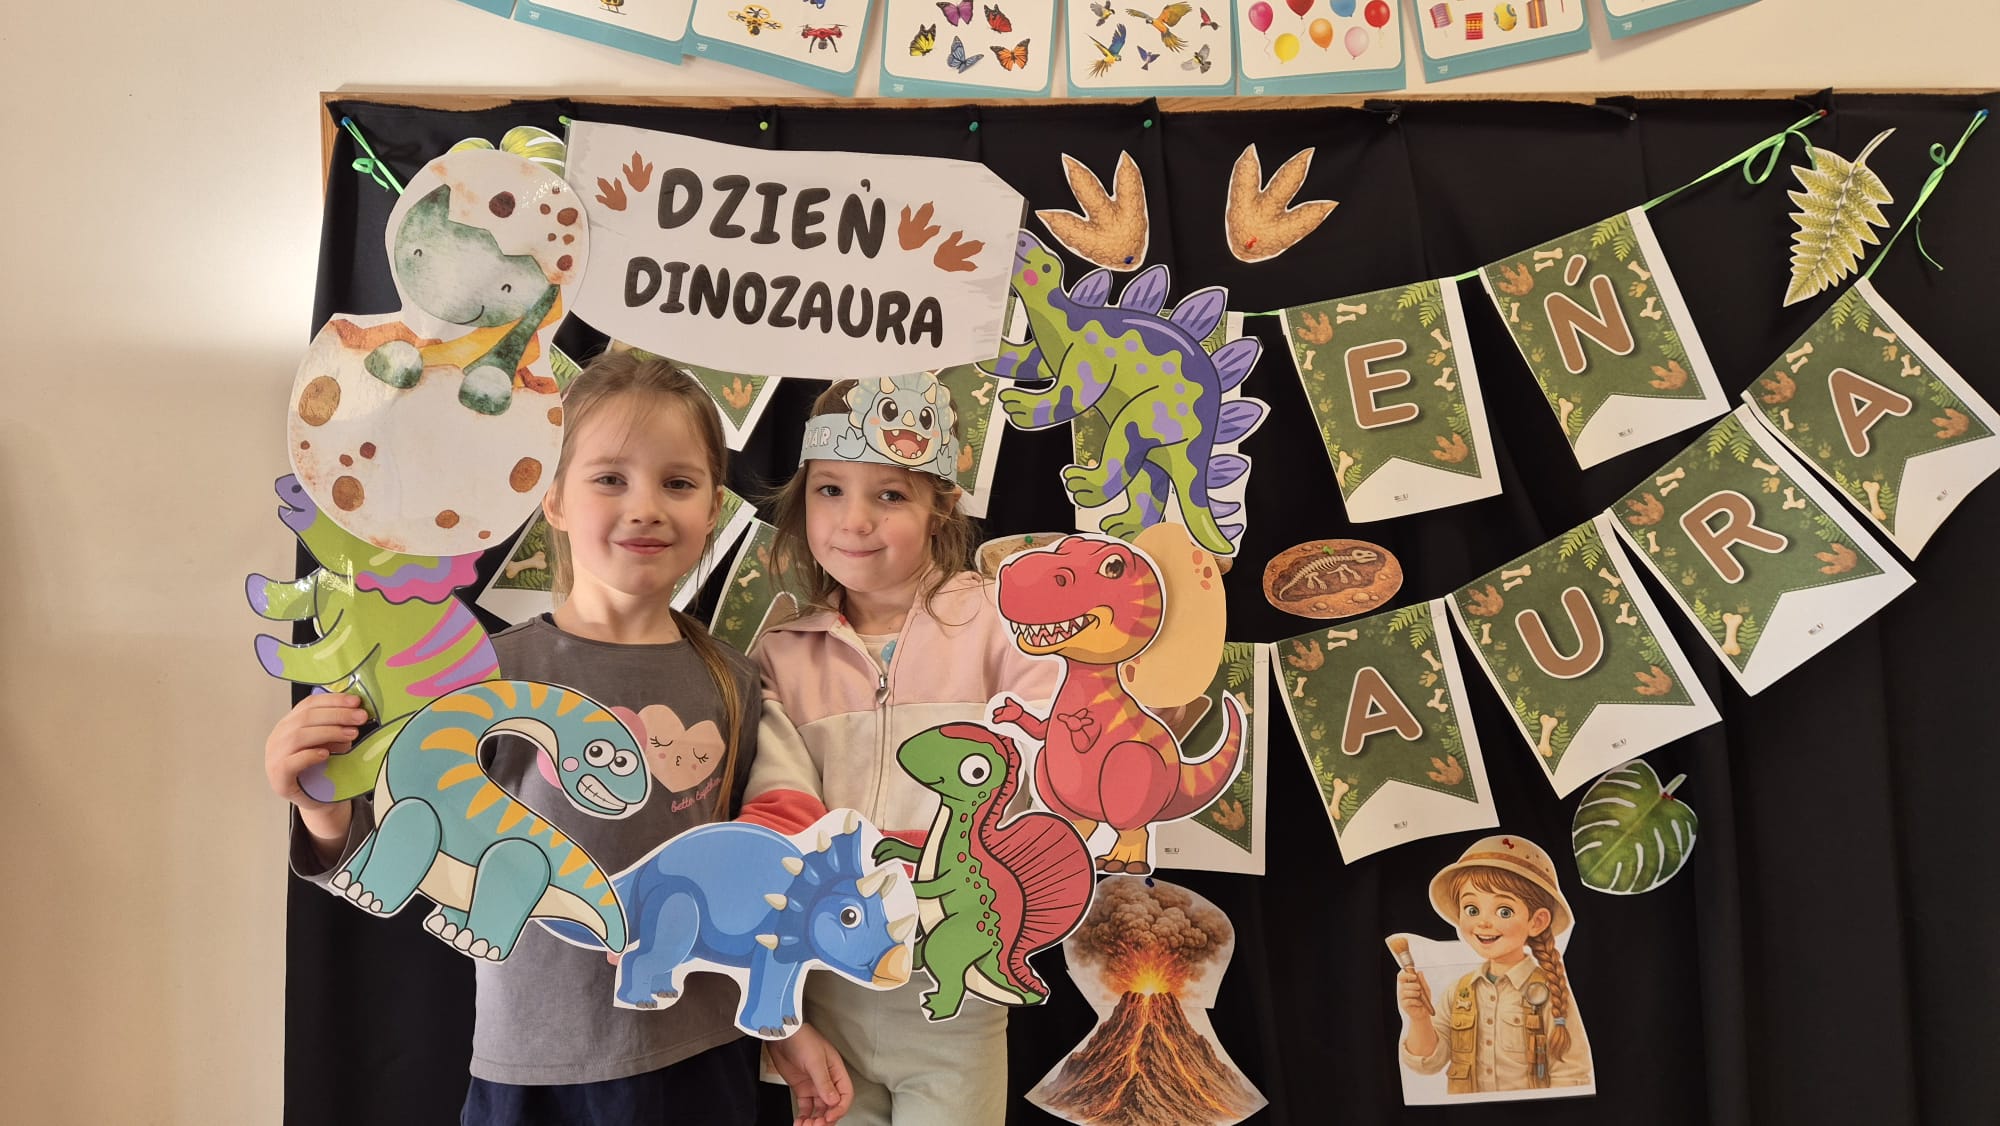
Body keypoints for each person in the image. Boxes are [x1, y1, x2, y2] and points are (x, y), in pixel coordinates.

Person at [265, 352, 852, 1126]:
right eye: (610, 478)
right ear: (553, 497)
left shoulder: (735, 683)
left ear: (714, 506)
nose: (646, 507)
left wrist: (787, 1026)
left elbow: (748, 884)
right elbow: (397, 859)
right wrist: (318, 804)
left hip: (703, 1059)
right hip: (537, 1074)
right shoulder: (485, 677)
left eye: (677, 483)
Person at [738, 374, 1058, 1125]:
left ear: (938, 506)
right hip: (827, 989)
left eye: (889, 495)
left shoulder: (1000, 626)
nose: (854, 521)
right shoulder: (781, 654)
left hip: (955, 992)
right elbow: (777, 809)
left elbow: (1061, 761)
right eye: (829, 491)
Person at [1396, 835, 1594, 1095]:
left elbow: (1573, 1075)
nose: (1483, 923)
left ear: (1537, 922)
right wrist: (1419, 1018)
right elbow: (1428, 1064)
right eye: (1472, 909)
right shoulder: (1459, 992)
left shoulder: (1550, 992)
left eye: (1504, 911)